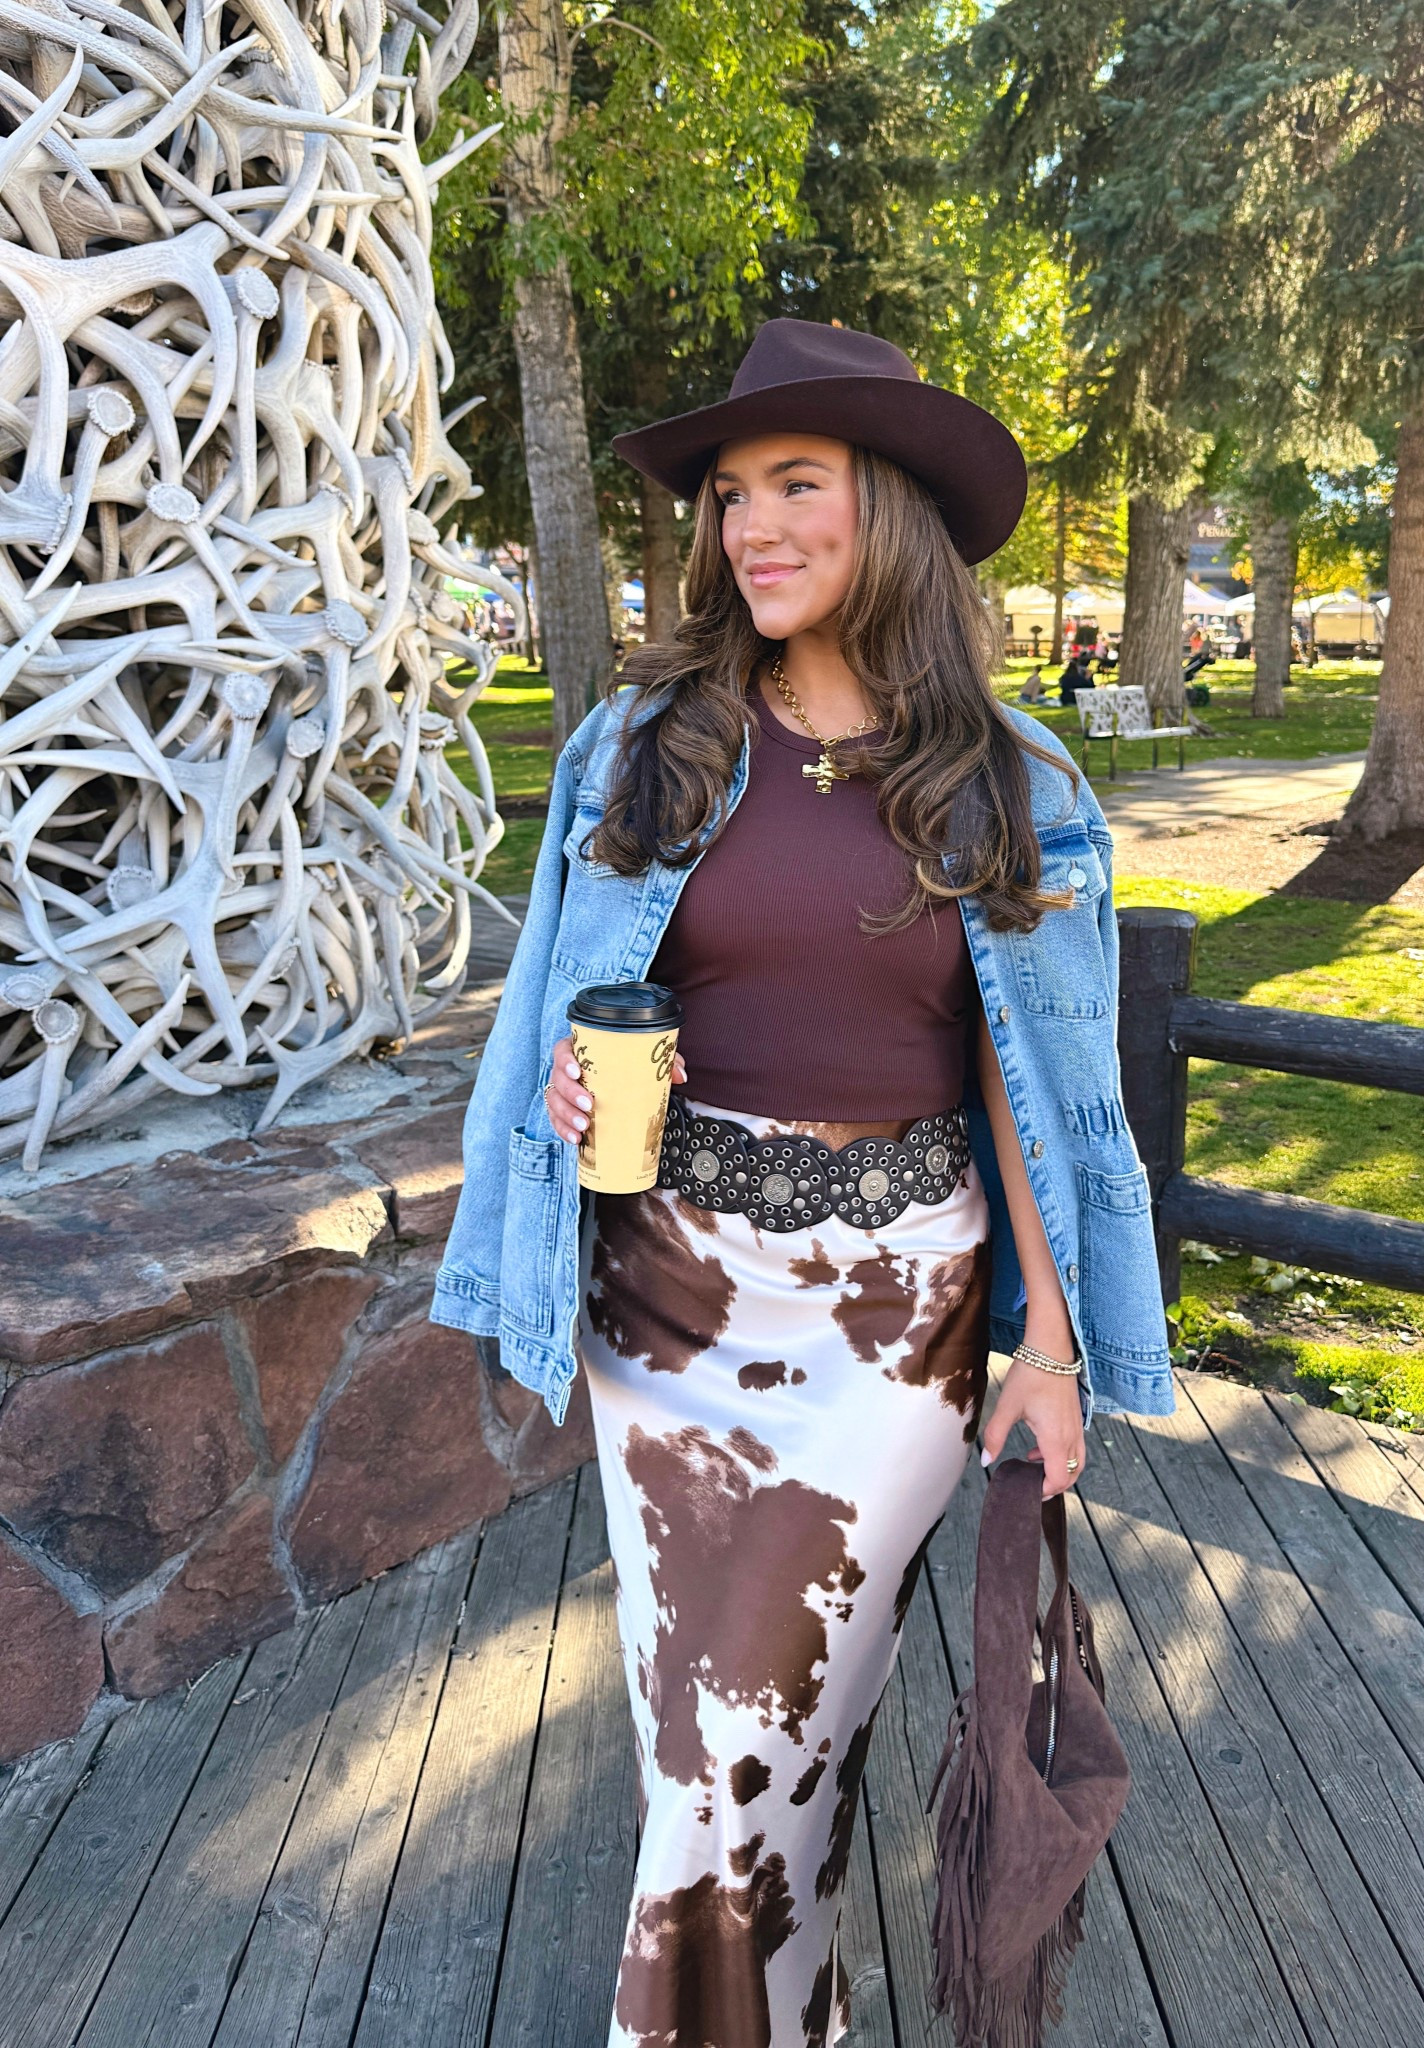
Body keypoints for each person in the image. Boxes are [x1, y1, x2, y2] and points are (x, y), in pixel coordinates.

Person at [432, 317, 1173, 2047]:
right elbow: (564, 1004)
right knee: (710, 1753)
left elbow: (1038, 1101)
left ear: (887, 509)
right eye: (729, 496)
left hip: (892, 1322)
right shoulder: (642, 745)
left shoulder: (1013, 786)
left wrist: (1050, 1349)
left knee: (757, 1736)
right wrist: (562, 1080)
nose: (749, 527)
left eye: (795, 485)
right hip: (662, 1302)